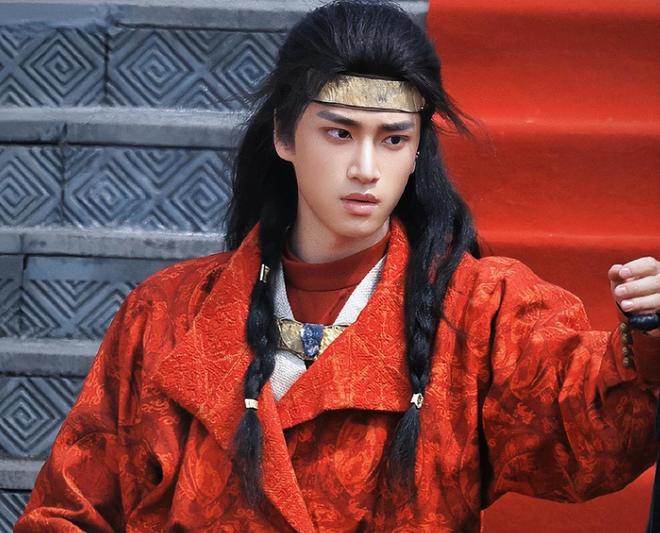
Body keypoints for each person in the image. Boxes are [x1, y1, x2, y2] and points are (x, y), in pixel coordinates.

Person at [16, 1, 660, 531]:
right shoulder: (167, 313)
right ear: (284, 135)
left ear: (418, 151)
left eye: (394, 138)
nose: (366, 169)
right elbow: (71, 508)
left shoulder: (478, 309)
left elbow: (590, 437)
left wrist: (649, 337)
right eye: (339, 132)